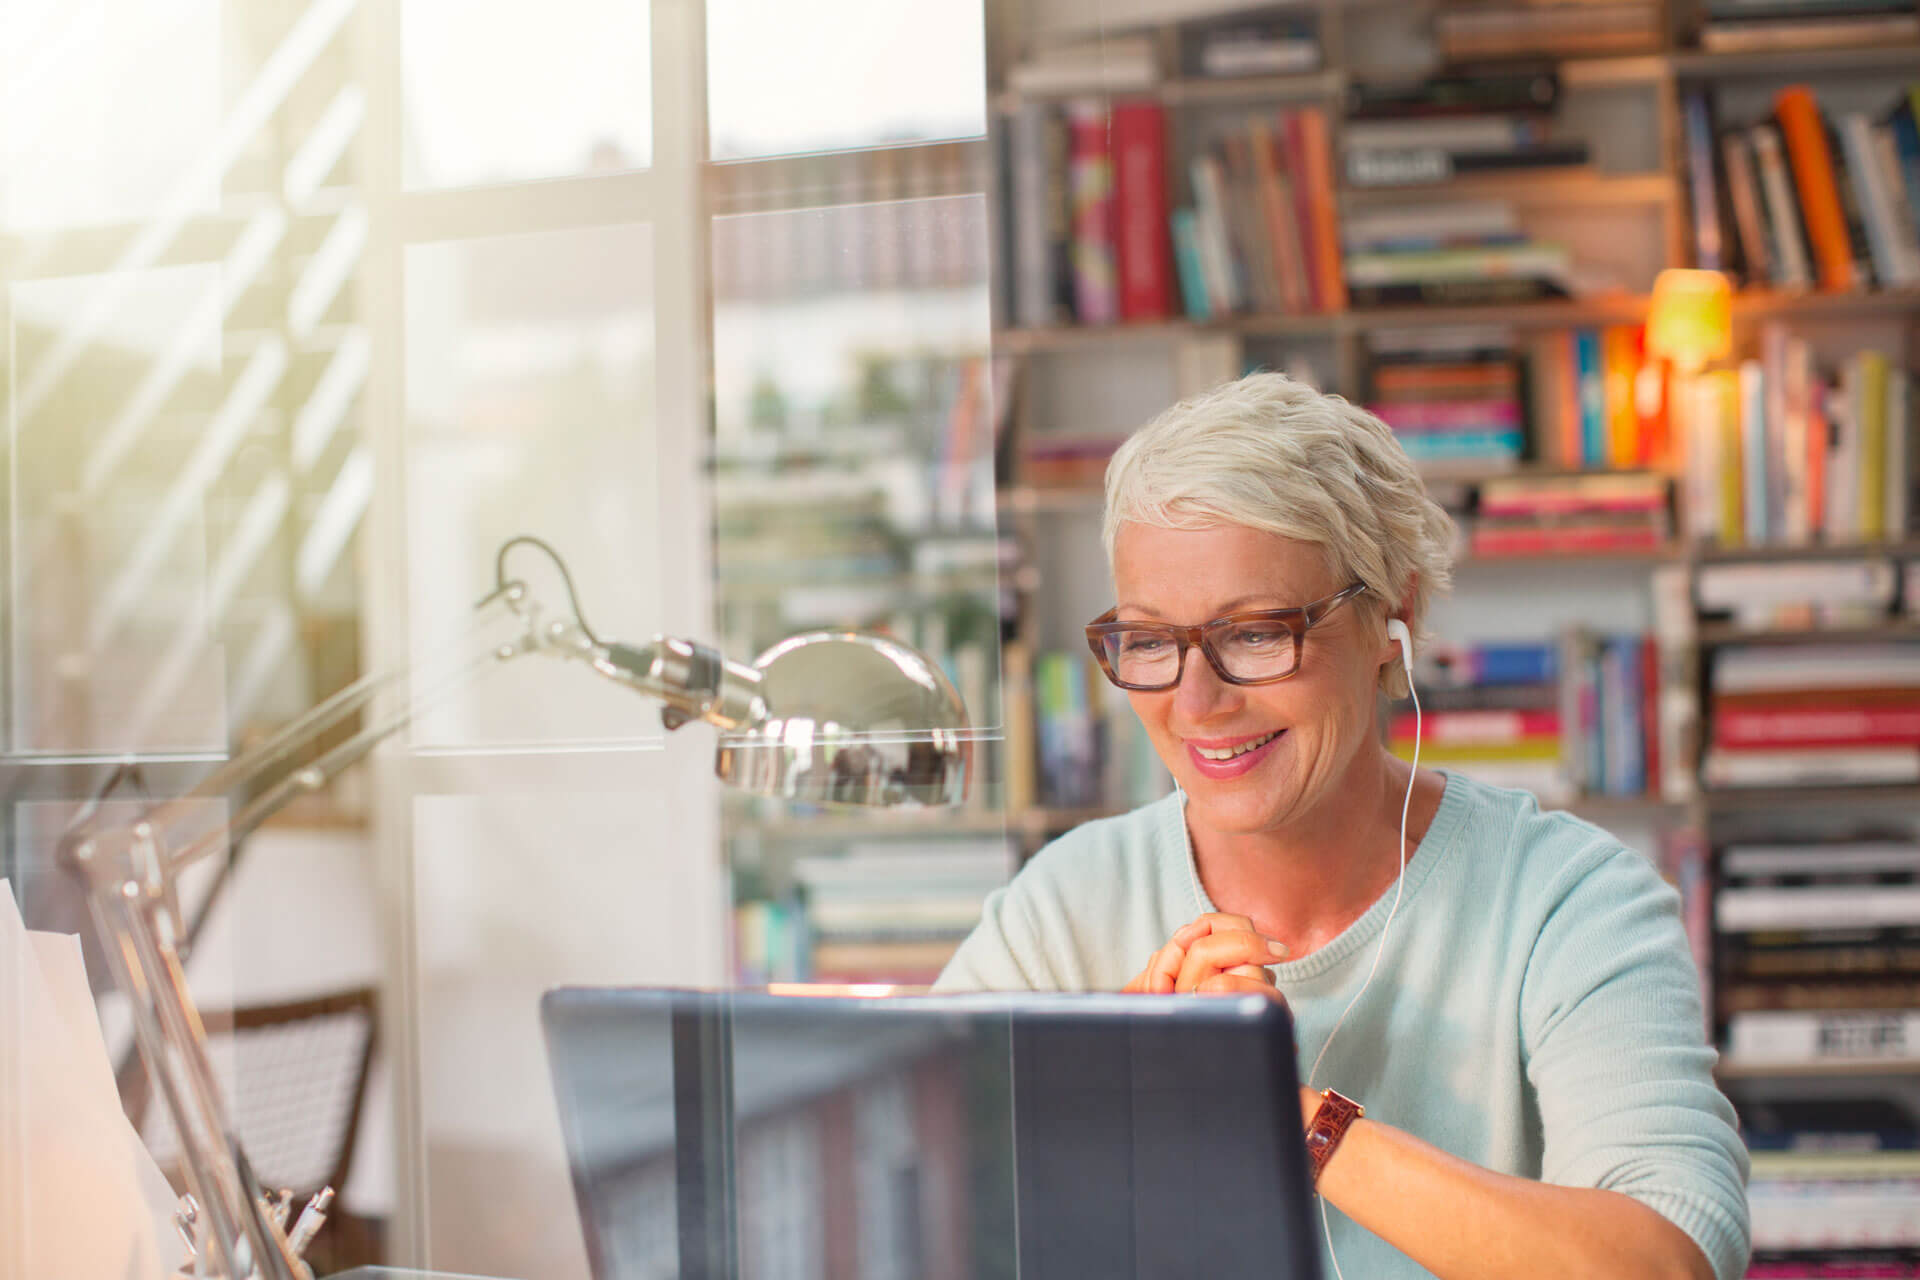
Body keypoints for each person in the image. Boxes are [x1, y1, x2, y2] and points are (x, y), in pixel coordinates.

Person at [934, 373, 1750, 1280]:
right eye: (1153, 642)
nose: (1196, 703)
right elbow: (915, 1216)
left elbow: (1666, 1264)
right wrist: (1097, 1101)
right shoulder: (1066, 904)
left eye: (1254, 634)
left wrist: (1284, 1113)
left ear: (1390, 623)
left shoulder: (1568, 900)